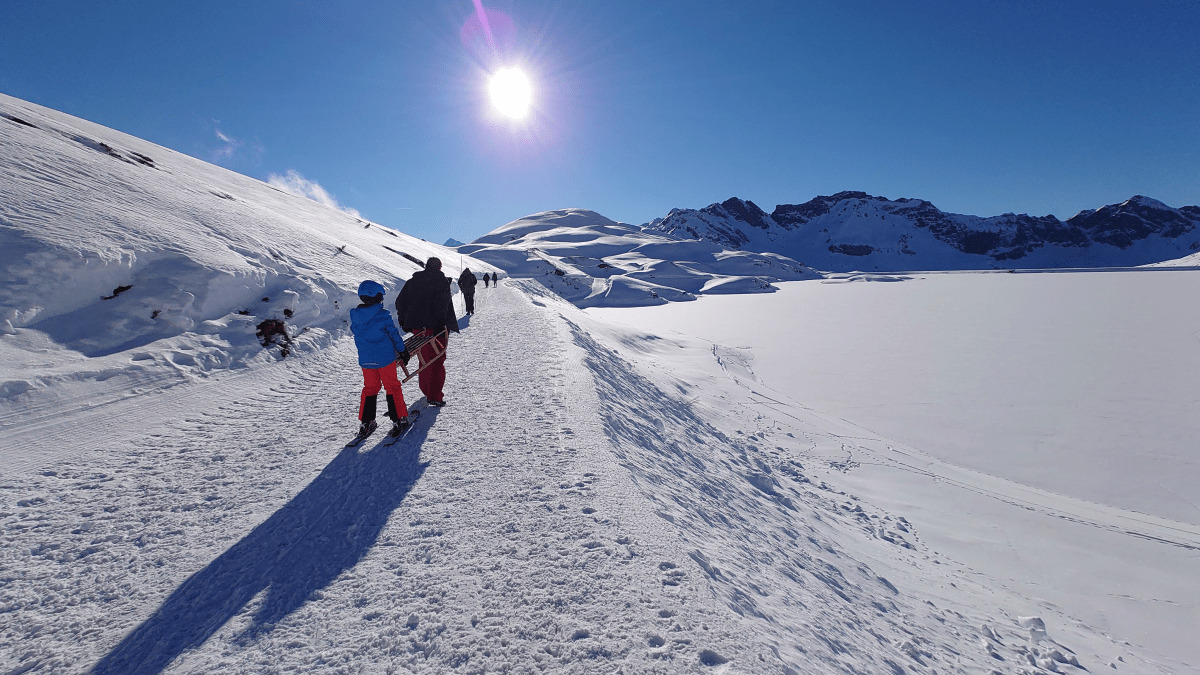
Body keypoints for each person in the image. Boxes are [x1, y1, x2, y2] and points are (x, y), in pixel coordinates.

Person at [395, 257, 459, 407]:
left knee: (424, 360)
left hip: (418, 329)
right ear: (439, 267)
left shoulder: (412, 281)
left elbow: (400, 302)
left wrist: (405, 322)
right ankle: (435, 395)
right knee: (437, 360)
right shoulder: (440, 280)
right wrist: (440, 324)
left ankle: (426, 391)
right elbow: (442, 304)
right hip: (436, 328)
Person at [350, 280, 410, 438]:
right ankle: (399, 420)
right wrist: (403, 351)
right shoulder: (383, 315)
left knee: (370, 388)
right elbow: (393, 334)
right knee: (392, 387)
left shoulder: (355, 316)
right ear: (376, 297)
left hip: (366, 361)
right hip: (385, 359)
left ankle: (366, 422)